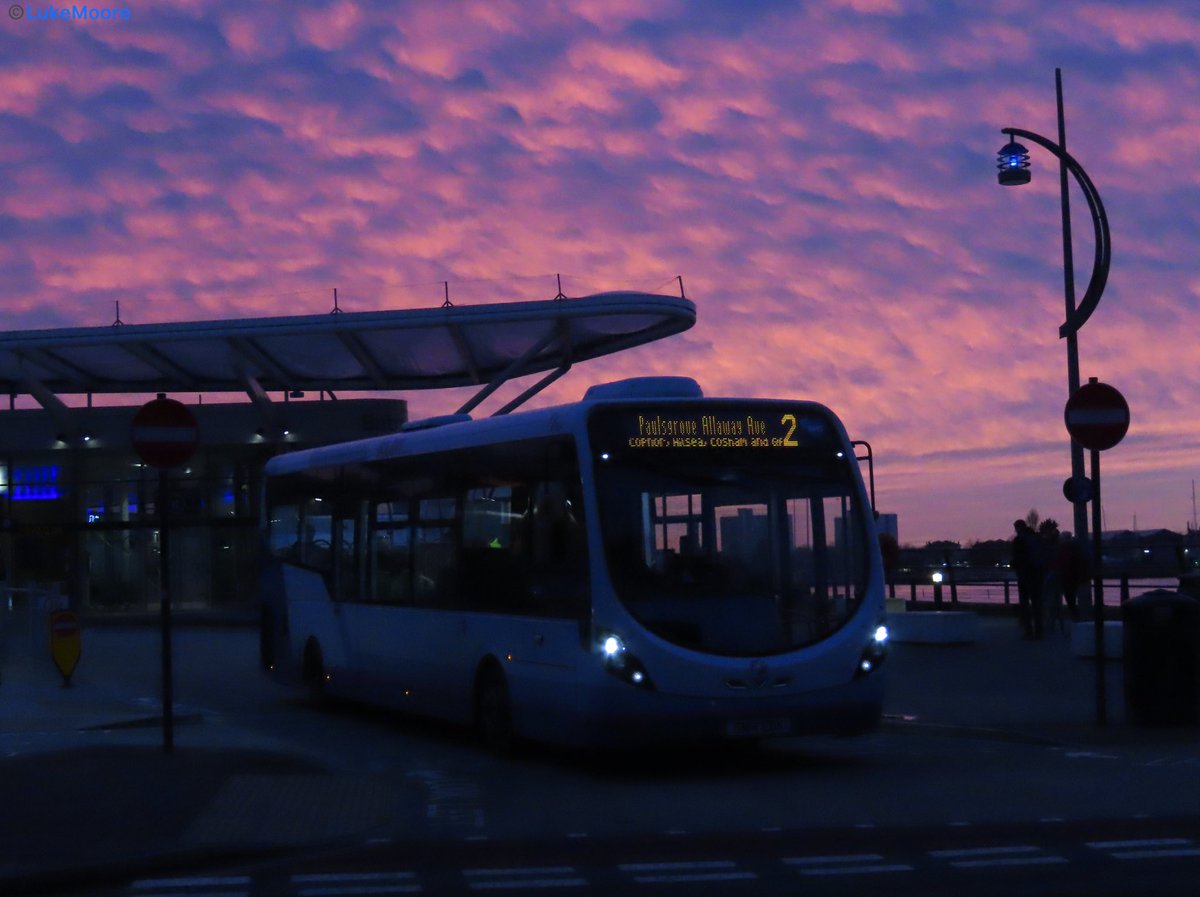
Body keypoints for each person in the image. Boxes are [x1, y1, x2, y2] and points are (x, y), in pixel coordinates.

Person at [1012, 519, 1047, 639]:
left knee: (1025, 603)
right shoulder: (1037, 538)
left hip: (1024, 574)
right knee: (1037, 603)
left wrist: (1014, 565)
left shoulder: (1019, 540)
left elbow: (1017, 558)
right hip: (1038, 574)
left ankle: (1029, 631)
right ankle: (1040, 630)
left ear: (1017, 528)